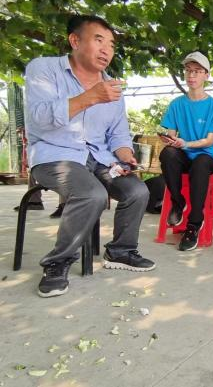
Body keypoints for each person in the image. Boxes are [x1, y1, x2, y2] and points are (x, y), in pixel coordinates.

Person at [25, 15, 155, 298]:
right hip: (54, 153)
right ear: (75, 40)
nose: (107, 50)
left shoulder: (112, 88)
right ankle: (57, 262)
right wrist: (90, 97)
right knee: (92, 194)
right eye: (99, 40)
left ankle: (120, 252)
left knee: (137, 190)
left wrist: (125, 155)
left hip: (99, 157)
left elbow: (118, 134)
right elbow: (38, 119)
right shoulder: (43, 69)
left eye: (110, 44)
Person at [158, 51, 213, 251]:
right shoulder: (177, 104)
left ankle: (194, 224)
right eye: (188, 71)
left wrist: (184, 143)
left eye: (197, 71)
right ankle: (178, 202)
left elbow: (209, 141)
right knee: (167, 154)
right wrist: (170, 141)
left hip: (207, 157)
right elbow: (171, 135)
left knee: (201, 163)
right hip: (184, 154)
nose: (191, 76)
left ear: (206, 75)